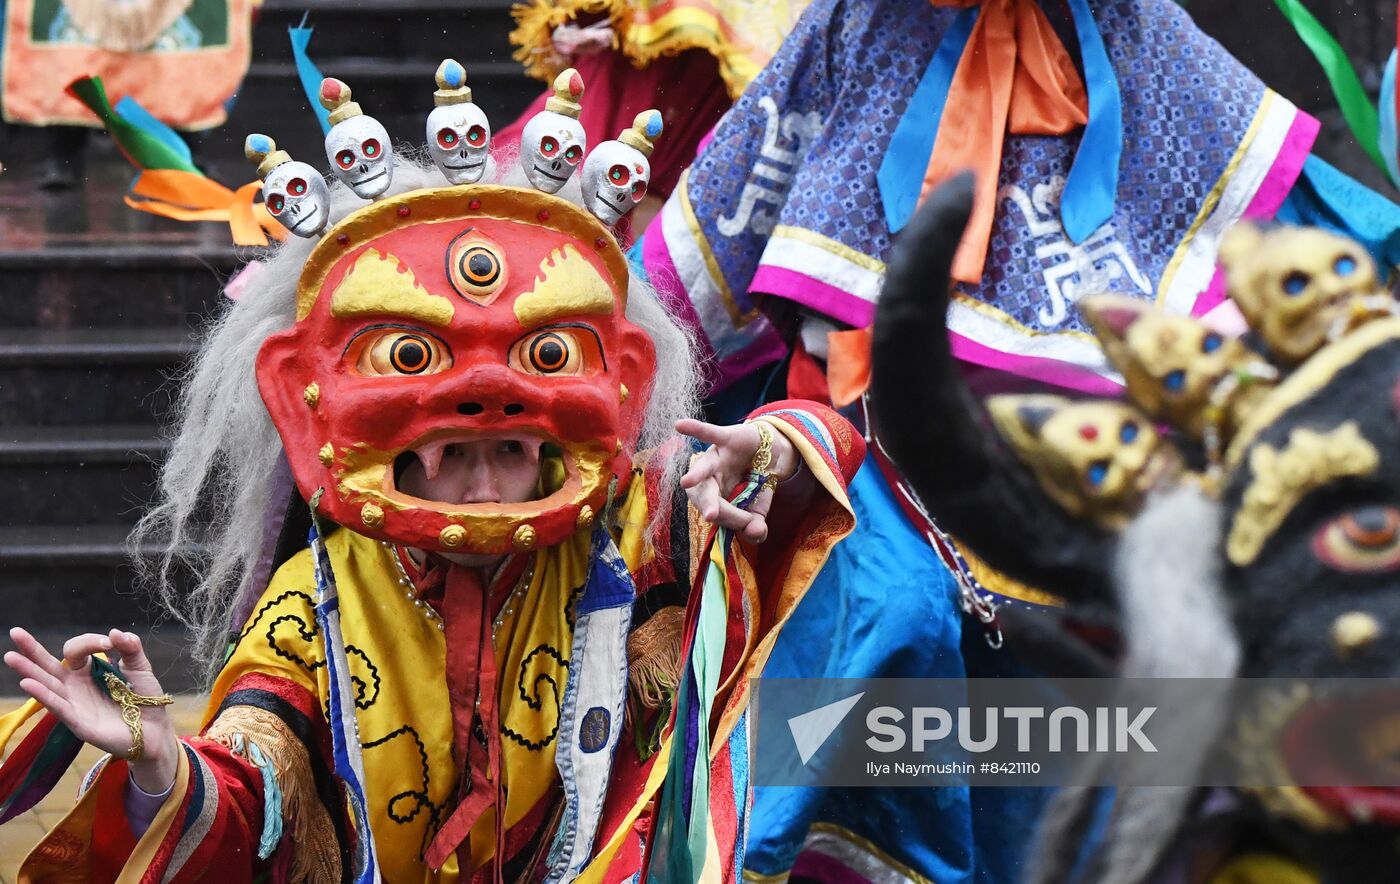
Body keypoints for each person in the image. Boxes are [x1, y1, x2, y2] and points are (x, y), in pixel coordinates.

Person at [0, 67, 864, 882]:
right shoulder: (320, 605)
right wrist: (159, 760)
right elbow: (253, 822)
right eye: (454, 457)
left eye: (513, 451)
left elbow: (816, 466)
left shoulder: (641, 527)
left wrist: (775, 450)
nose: (485, 485)